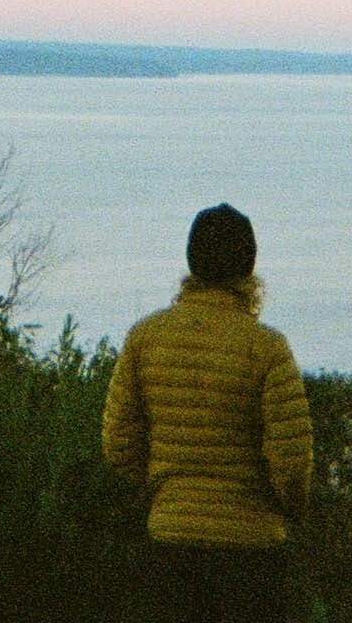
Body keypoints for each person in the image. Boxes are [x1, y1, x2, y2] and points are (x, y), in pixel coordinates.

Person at [102, 203, 313, 623]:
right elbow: (291, 461)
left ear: (191, 261)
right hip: (250, 552)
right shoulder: (267, 348)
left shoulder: (145, 337)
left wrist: (164, 492)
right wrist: (286, 507)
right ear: (249, 267)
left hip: (170, 544)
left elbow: (118, 442)